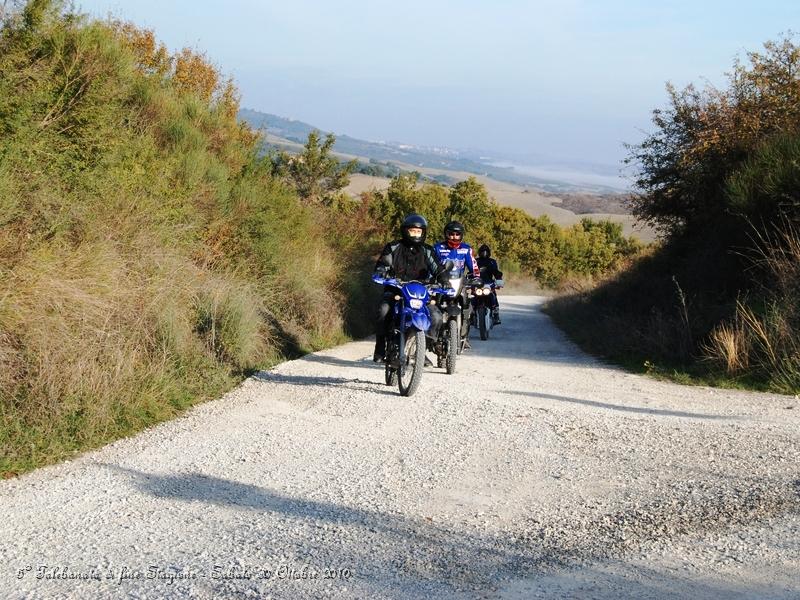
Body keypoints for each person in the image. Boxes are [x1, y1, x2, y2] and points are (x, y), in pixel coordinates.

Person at [372, 214, 448, 363]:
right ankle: (380, 346)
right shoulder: (393, 247)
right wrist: (382, 270)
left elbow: (438, 268)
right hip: (396, 291)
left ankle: (421, 349)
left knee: (436, 316)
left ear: (423, 233)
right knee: (383, 311)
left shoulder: (427, 250)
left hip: (420, 293)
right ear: (405, 231)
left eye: (418, 232)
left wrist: (444, 280)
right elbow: (383, 263)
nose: (415, 234)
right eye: (412, 231)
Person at [432, 221, 480, 336]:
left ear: (461, 235)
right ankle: (432, 334)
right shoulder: (438, 248)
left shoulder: (466, 249)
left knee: (467, 304)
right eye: (451, 234)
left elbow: (473, 266)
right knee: (432, 305)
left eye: (457, 234)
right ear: (446, 234)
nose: (454, 237)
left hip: (459, 282)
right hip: (442, 283)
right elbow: (431, 265)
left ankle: (465, 330)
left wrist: (476, 277)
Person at [476, 244, 504, 325]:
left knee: (493, 296)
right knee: (472, 298)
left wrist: (499, 278)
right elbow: (471, 271)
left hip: (489, 283)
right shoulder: (476, 261)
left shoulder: (492, 261)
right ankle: (471, 315)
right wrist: (467, 278)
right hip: (477, 283)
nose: (484, 253)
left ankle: (496, 315)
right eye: (482, 251)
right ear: (479, 252)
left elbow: (495, 271)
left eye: (486, 251)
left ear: (489, 252)